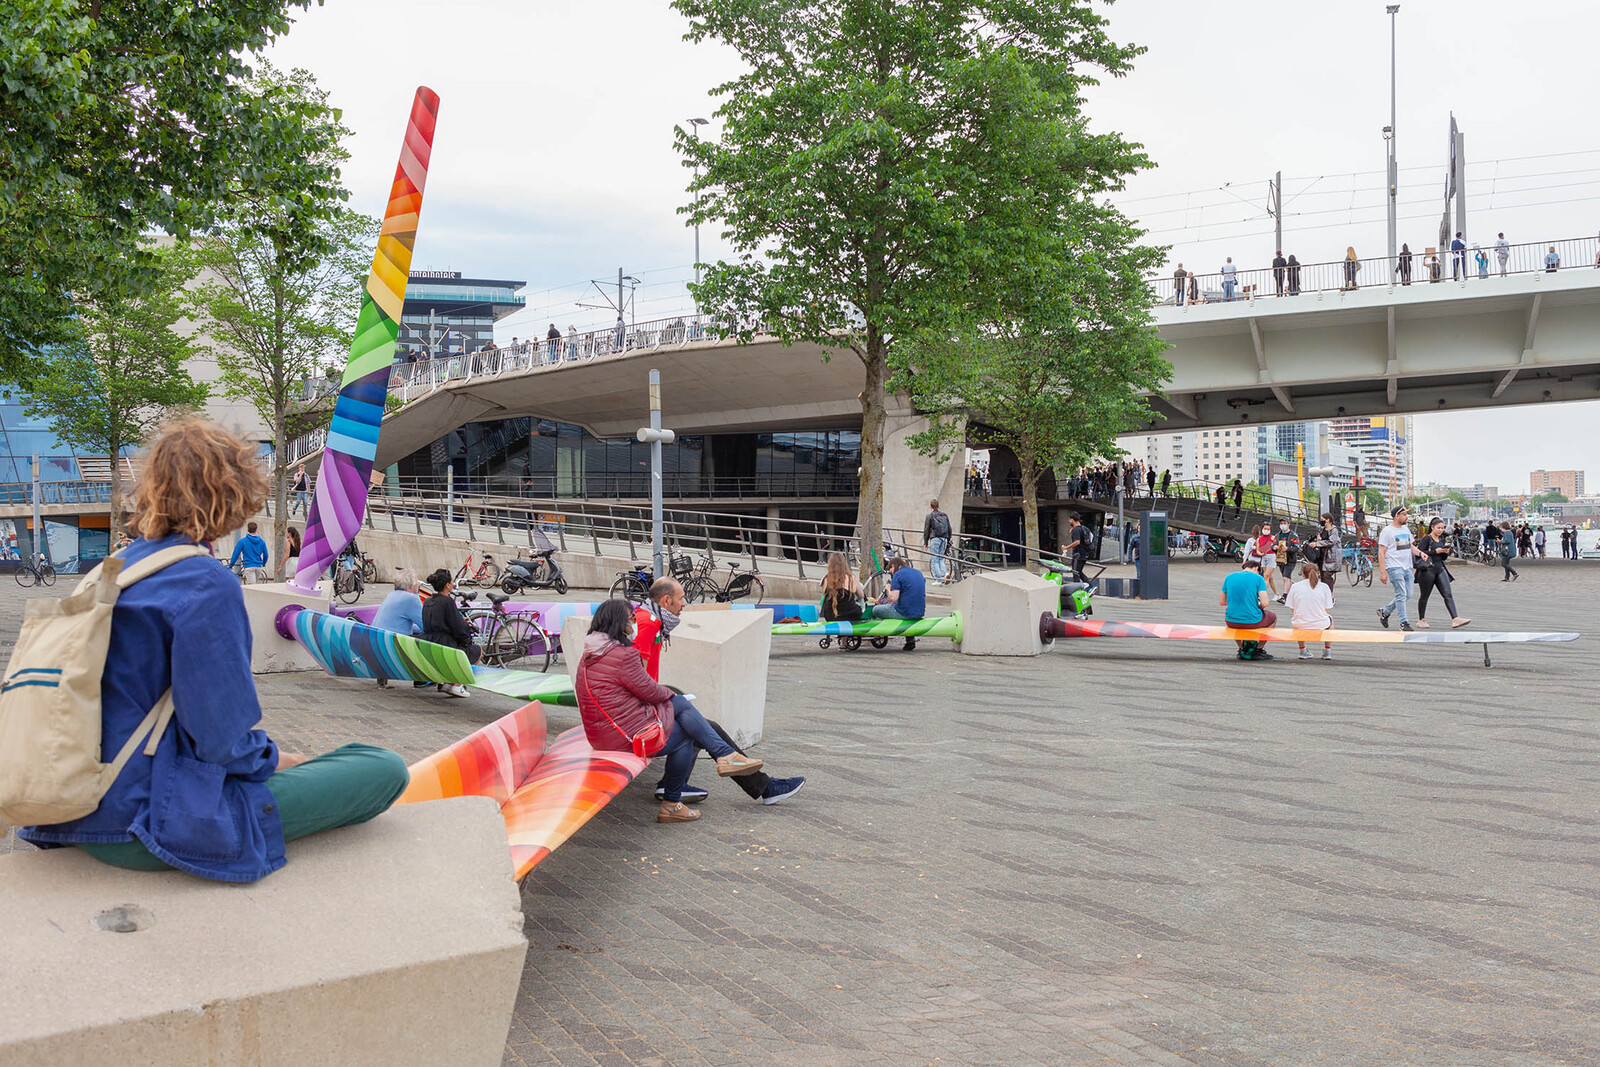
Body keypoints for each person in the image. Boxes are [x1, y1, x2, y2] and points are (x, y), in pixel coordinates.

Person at [17, 420, 409, 882]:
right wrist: (282, 760)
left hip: (70, 806)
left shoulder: (111, 571)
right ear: (234, 496)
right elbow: (220, 741)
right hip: (145, 819)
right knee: (381, 767)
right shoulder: (205, 582)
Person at [576, 599, 770, 824]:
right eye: (631, 618)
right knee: (684, 727)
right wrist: (672, 696)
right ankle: (673, 801)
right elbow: (649, 691)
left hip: (603, 735)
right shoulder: (622, 655)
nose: (634, 622)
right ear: (619, 623)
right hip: (624, 736)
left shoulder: (591, 653)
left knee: (680, 709)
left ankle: (724, 758)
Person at [632, 580, 805, 808]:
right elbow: (638, 679)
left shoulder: (650, 619)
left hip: (644, 708)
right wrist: (662, 700)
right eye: (681, 598)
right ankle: (757, 783)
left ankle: (675, 783)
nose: (684, 603)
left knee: (701, 725)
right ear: (666, 600)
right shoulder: (649, 624)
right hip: (640, 715)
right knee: (700, 725)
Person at [420, 568, 479, 697]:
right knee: (477, 650)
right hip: (445, 645)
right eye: (452, 581)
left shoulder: (428, 601)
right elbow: (459, 629)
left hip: (429, 642)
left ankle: (448, 683)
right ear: (447, 585)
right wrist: (467, 634)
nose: (453, 583)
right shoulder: (447, 602)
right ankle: (456, 684)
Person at [371, 569, 427, 689]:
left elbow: (400, 623)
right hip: (395, 645)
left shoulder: (391, 595)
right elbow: (425, 626)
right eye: (417, 582)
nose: (418, 584)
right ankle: (422, 679)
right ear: (412, 585)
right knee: (432, 638)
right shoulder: (411, 599)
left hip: (378, 641)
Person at [1414, 517, 1471, 630]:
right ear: (1432, 527)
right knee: (1425, 596)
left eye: (1442, 528)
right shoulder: (1427, 539)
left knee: (1447, 594)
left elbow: (1443, 558)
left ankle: (1455, 618)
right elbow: (1419, 552)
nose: (1441, 530)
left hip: (1440, 568)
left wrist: (1445, 552)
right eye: (1438, 528)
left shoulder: (1441, 539)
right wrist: (1436, 551)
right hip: (1427, 570)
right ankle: (1421, 619)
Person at [1220, 559, 1276, 661]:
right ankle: (1258, 649)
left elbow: (1222, 602)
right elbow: (1265, 603)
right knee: (1273, 617)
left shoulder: (1229, 577)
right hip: (1252, 621)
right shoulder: (1258, 578)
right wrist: (1257, 606)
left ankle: (1241, 648)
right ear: (1256, 568)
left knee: (1235, 619)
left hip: (1231, 621)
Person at [1376, 505, 1421, 631]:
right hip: (1394, 567)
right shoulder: (1387, 531)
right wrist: (1383, 571)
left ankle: (1385, 611)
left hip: (1407, 566)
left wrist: (1420, 553)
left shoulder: (1405, 529)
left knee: (1407, 594)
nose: (1406, 517)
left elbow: (1410, 546)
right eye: (1404, 515)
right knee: (1401, 594)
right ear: (1397, 516)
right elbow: (1381, 551)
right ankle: (1404, 622)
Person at [1284, 562, 1335, 661]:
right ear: (1317, 573)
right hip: (1321, 624)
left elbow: (1292, 607)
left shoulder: (1295, 587)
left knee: (1297, 619)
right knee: (1330, 619)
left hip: (1300, 624)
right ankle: (1327, 650)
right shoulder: (1324, 587)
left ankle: (1302, 650)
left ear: (1303, 574)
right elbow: (1327, 608)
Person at [873, 556, 926, 650]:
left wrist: (888, 588)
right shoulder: (918, 573)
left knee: (876, 609)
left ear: (893, 566)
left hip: (904, 612)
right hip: (920, 612)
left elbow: (894, 598)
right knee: (905, 608)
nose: (891, 575)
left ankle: (879, 632)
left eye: (890, 571)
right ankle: (910, 640)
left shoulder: (898, 574)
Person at [818, 551, 866, 621]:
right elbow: (861, 595)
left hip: (830, 615)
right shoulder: (851, 578)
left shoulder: (826, 579)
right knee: (857, 609)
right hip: (849, 614)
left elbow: (825, 596)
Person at [1306, 512, 1342, 587]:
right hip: (1321, 555)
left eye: (1322, 520)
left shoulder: (1334, 530)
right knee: (1322, 576)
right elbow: (1319, 537)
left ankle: (1330, 594)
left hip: (1330, 556)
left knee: (1327, 576)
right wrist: (1317, 540)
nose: (1321, 521)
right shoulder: (1322, 529)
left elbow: (1332, 541)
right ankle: (1325, 593)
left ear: (1328, 520)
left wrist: (1318, 543)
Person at [1245, 522, 1278, 599]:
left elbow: (1275, 547)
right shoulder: (1259, 539)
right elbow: (1257, 550)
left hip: (1271, 557)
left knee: (1266, 576)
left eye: (1268, 529)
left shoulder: (1273, 538)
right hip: (1264, 557)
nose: (1266, 530)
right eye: (1265, 529)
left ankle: (1262, 595)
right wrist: (1261, 554)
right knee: (1269, 577)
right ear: (1262, 529)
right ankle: (1277, 594)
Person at [922, 498, 952, 584]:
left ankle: (938, 580)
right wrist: (948, 539)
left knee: (934, 560)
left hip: (935, 539)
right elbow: (949, 528)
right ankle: (946, 573)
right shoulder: (944, 515)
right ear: (938, 506)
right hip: (944, 539)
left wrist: (926, 542)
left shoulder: (930, 516)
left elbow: (926, 529)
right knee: (940, 558)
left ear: (930, 506)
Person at [1273, 518, 1299, 602]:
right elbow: (1272, 544)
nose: (1283, 525)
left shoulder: (1293, 535)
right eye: (1281, 523)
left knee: (1286, 578)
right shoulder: (1277, 535)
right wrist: (1274, 547)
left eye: (1285, 523)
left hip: (1290, 559)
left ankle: (1285, 596)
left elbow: (1296, 547)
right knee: (1286, 577)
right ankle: (1294, 591)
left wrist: (1288, 549)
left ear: (1288, 524)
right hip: (1280, 559)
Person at [1062, 512, 1092, 583]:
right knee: (1079, 572)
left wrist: (1066, 547)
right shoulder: (1083, 528)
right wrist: (1073, 528)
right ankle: (1088, 587)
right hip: (1084, 554)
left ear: (1072, 520)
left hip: (1078, 555)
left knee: (1076, 573)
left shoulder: (1076, 530)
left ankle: (1083, 588)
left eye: (1069, 520)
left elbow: (1077, 542)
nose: (1069, 521)